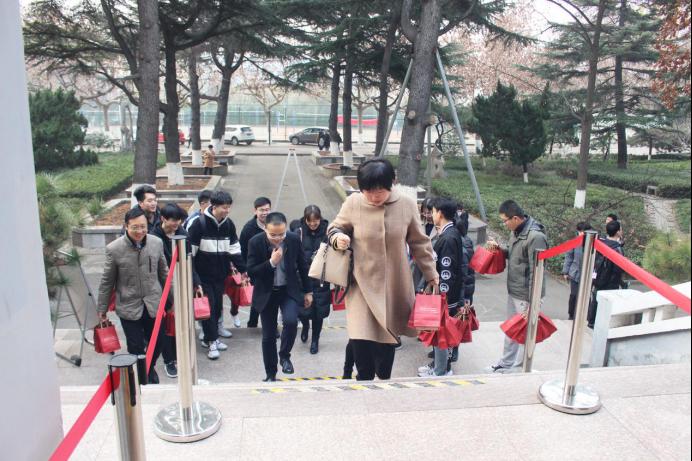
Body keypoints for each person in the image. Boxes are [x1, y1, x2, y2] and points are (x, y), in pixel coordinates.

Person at [328, 158, 438, 381]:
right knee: (360, 342)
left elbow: (419, 243)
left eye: (379, 191)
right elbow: (336, 226)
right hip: (360, 284)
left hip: (393, 286)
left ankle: (380, 383)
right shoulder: (353, 203)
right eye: (367, 191)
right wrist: (338, 237)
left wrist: (431, 275)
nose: (373, 197)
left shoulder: (406, 204)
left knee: (385, 357)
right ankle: (363, 381)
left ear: (392, 183)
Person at [97, 207, 169, 384]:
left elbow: (164, 273)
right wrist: (102, 309)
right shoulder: (114, 249)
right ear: (126, 226)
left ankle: (149, 368)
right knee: (135, 346)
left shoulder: (156, 243)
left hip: (153, 303)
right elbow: (107, 281)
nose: (139, 231)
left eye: (143, 227)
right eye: (135, 227)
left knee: (158, 342)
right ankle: (143, 378)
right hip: (128, 305)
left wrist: (172, 301)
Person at [246, 212, 312, 381]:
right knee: (268, 336)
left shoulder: (293, 239)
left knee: (291, 321)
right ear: (265, 229)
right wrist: (271, 263)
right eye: (273, 235)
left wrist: (308, 291)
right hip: (266, 293)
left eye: (281, 234)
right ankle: (270, 374)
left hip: (288, 290)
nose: (278, 238)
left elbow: (303, 266)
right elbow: (251, 271)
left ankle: (284, 356)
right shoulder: (255, 242)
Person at [485, 200, 548, 373]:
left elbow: (537, 271)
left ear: (515, 218)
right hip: (514, 291)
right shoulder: (517, 231)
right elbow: (515, 254)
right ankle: (506, 363)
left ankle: (519, 369)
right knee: (512, 330)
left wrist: (533, 302)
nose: (504, 224)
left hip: (527, 295)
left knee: (524, 334)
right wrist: (500, 250)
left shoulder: (536, 237)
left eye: (505, 220)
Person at [187, 191, 246, 360]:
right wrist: (195, 279)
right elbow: (190, 255)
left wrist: (243, 270)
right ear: (213, 206)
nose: (227, 211)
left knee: (217, 307)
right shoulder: (199, 224)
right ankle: (212, 342)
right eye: (224, 207)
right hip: (203, 277)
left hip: (220, 276)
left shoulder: (229, 225)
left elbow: (234, 248)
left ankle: (212, 338)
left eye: (228, 207)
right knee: (210, 309)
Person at [150, 203, 201, 378]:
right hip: (162, 287)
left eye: (179, 220)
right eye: (173, 220)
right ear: (163, 219)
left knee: (180, 322)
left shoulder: (183, 234)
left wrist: (196, 282)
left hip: (181, 282)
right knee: (166, 326)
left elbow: (189, 260)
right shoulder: (153, 238)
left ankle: (180, 355)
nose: (176, 224)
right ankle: (169, 360)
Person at [418, 197, 464, 377]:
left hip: (445, 296)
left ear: (441, 213)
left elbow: (447, 272)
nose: (431, 215)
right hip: (447, 294)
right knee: (440, 333)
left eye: (433, 211)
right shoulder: (450, 234)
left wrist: (441, 297)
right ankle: (438, 366)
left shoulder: (448, 238)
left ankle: (441, 370)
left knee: (441, 334)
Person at [290, 205, 331, 354]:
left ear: (320, 218)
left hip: (321, 278)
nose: (313, 224)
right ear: (305, 220)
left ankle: (315, 340)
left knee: (319, 312)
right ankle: (305, 326)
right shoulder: (299, 232)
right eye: (310, 221)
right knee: (303, 309)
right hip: (303, 278)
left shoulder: (328, 231)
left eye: (316, 221)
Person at [239, 197, 272, 328]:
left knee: (271, 298)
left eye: (267, 209)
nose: (265, 213)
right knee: (257, 297)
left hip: (272, 267)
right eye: (262, 210)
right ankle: (252, 323)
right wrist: (244, 270)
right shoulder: (248, 229)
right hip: (256, 269)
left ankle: (270, 325)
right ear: (255, 211)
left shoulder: (274, 223)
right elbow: (242, 250)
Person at [588, 220, 625, 328]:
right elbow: (619, 268)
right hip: (611, 282)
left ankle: (591, 321)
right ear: (618, 232)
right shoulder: (617, 249)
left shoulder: (599, 243)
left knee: (595, 299)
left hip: (597, 278)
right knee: (607, 304)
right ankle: (601, 325)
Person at [562, 222, 592, 320]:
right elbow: (569, 257)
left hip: (588, 274)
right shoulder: (574, 242)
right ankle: (571, 315)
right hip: (575, 273)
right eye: (580, 231)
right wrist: (565, 272)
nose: (582, 234)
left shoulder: (593, 243)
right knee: (574, 295)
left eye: (584, 232)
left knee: (586, 296)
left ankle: (586, 316)